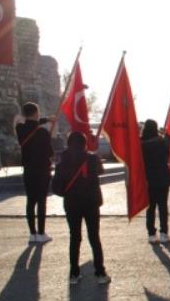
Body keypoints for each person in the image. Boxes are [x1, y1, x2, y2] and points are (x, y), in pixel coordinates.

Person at [52, 132, 111, 284]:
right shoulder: (92, 159)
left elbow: (57, 187)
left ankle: (74, 273)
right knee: (94, 237)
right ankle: (100, 273)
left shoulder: (62, 161)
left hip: (72, 203)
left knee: (74, 237)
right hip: (91, 203)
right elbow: (101, 171)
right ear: (84, 143)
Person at [15, 102, 54, 245]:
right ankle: (41, 233)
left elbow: (28, 123)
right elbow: (50, 152)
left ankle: (32, 234)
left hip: (28, 170)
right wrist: (46, 122)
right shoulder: (43, 132)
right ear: (36, 113)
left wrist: (46, 120)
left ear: (24, 114)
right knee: (41, 201)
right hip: (42, 170)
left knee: (31, 201)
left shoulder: (19, 128)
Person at [141, 120, 170, 244]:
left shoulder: (140, 143)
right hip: (162, 178)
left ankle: (151, 234)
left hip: (148, 180)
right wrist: (166, 135)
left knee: (150, 208)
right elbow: (168, 153)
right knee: (163, 206)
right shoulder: (162, 142)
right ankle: (164, 233)